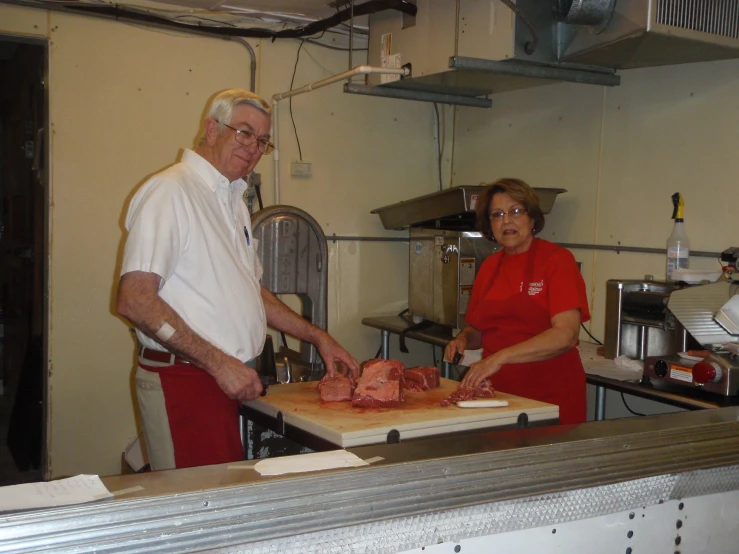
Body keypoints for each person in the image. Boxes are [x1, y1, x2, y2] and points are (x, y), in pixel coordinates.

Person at [117, 89, 360, 470]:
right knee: (201, 513)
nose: (253, 147)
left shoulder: (231, 200)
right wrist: (220, 364)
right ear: (212, 130)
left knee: (224, 505)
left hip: (223, 380)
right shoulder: (172, 191)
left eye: (262, 141)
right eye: (244, 133)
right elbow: (135, 300)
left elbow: (251, 291)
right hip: (186, 380)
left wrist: (317, 336)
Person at [444, 178, 589, 425]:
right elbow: (480, 329)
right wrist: (464, 339)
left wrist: (499, 358)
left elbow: (565, 335)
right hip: (498, 399)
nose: (506, 221)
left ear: (532, 218)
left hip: (551, 401)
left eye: (515, 211)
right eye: (497, 214)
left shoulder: (557, 260)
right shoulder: (490, 267)